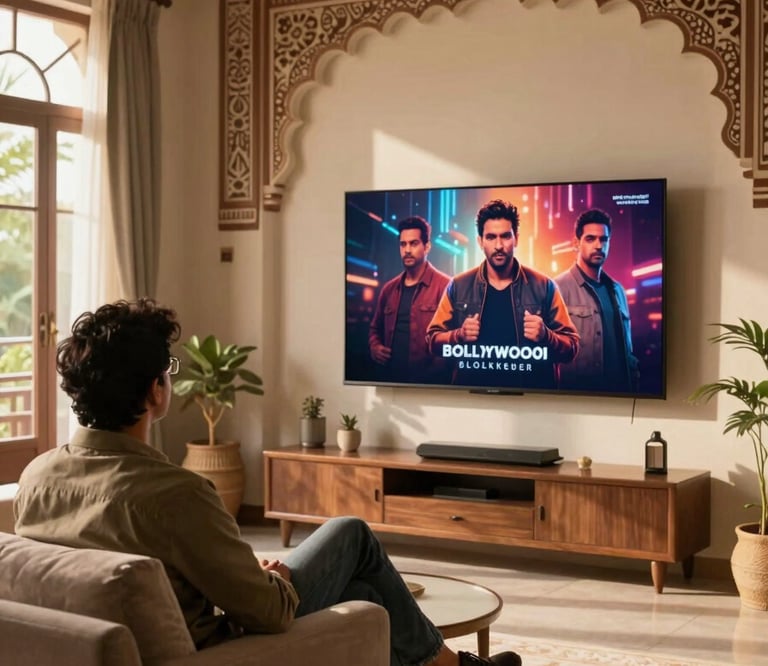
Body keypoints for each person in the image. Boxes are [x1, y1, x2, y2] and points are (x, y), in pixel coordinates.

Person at [13, 299, 521, 666]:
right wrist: (273, 579)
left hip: (106, 643)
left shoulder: (35, 477)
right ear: (155, 391)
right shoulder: (176, 494)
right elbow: (270, 614)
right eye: (168, 370)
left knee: (366, 591)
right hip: (227, 646)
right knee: (351, 534)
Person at [426, 199, 579, 389]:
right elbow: (432, 341)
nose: (499, 245)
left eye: (505, 236)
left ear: (516, 239)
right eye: (490, 237)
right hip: (471, 399)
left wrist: (547, 336)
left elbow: (572, 347)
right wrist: (458, 335)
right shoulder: (458, 285)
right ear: (480, 242)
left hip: (532, 401)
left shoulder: (544, 286)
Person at [554, 208, 639, 393]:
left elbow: (628, 351)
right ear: (576, 243)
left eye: (604, 239)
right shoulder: (557, 288)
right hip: (575, 398)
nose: (599, 245)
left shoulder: (618, 291)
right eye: (590, 239)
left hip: (621, 396)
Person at [369, 216, 451, 384]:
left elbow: (455, 339)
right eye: (403, 244)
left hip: (432, 386)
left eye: (413, 243)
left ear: (427, 246)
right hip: (390, 383)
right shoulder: (389, 289)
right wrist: (375, 346)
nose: (407, 250)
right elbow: (374, 328)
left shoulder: (446, 286)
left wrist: (435, 372)